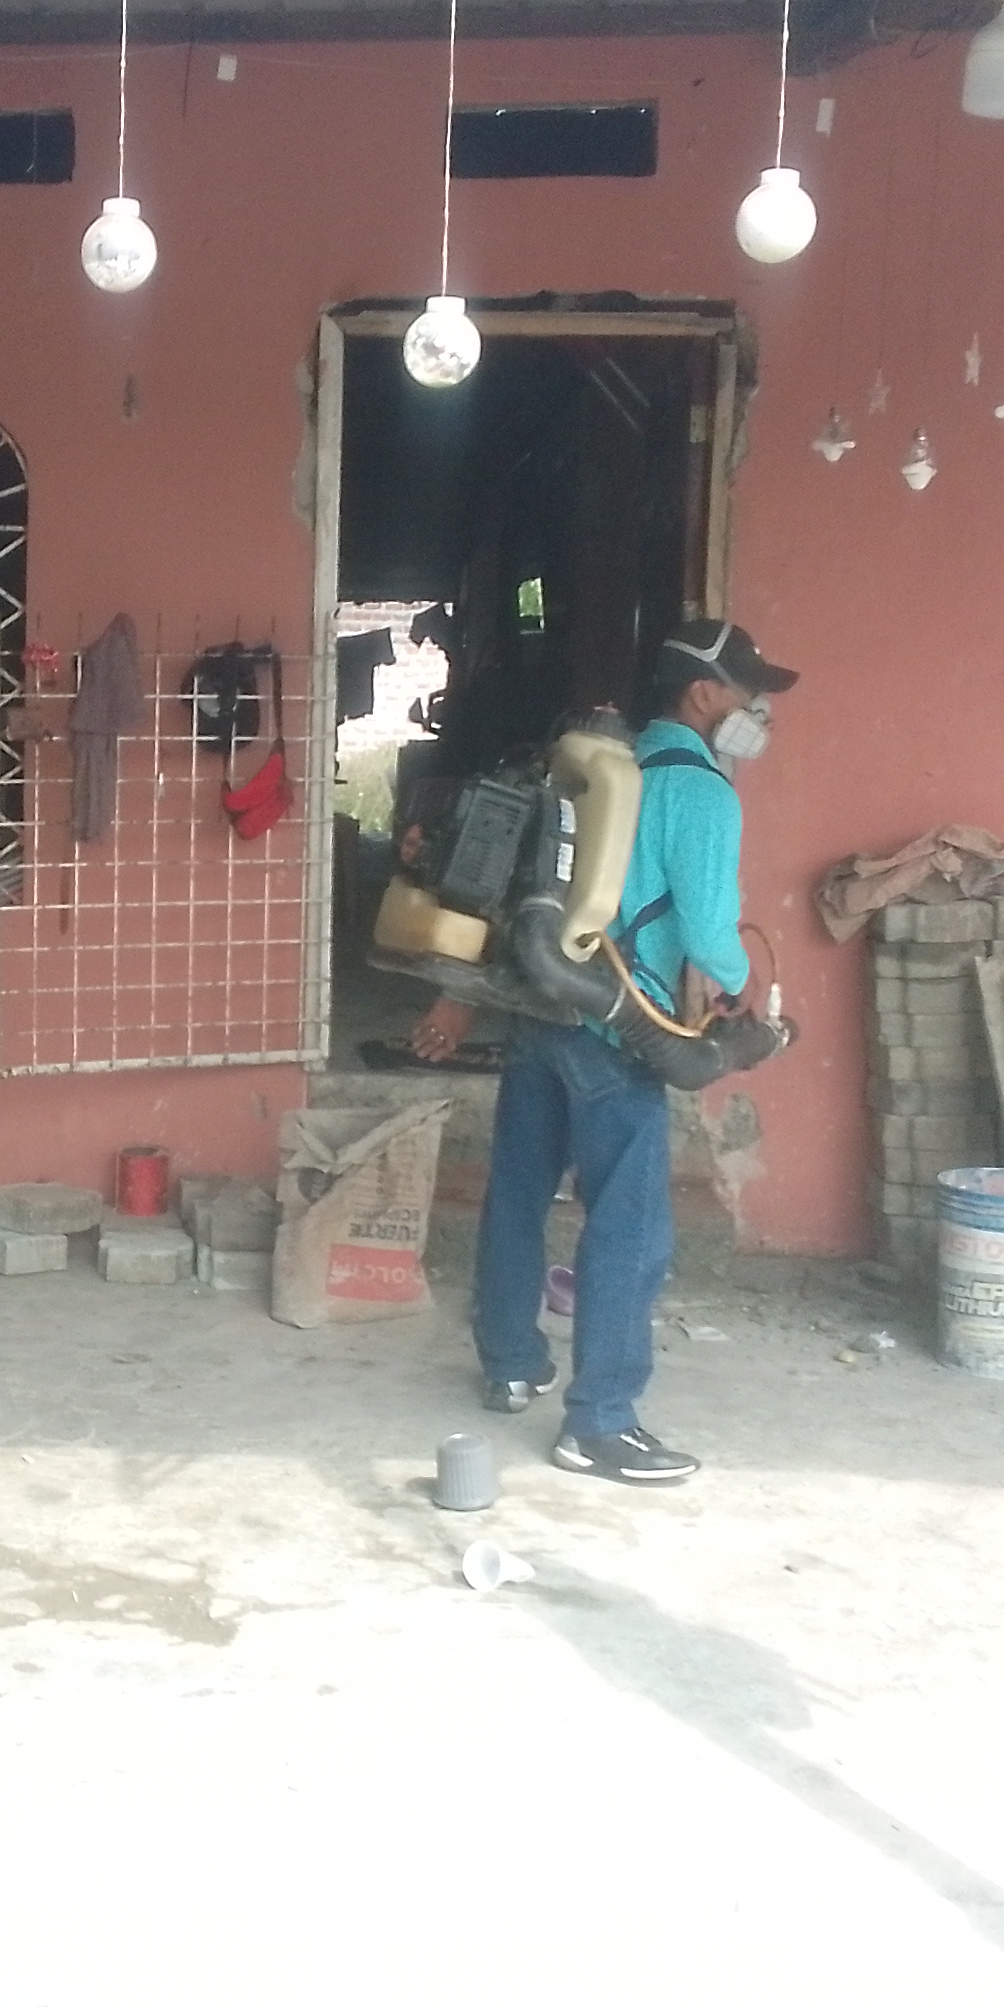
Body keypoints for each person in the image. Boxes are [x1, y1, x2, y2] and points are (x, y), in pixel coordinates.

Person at [410, 617, 800, 1487]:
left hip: (544, 1007)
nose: (756, 711)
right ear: (704, 693)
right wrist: (740, 986)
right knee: (631, 1228)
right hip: (622, 1027)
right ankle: (601, 1423)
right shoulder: (700, 792)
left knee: (518, 1195)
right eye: (748, 693)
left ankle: (511, 1364)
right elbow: (711, 931)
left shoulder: (589, 768)